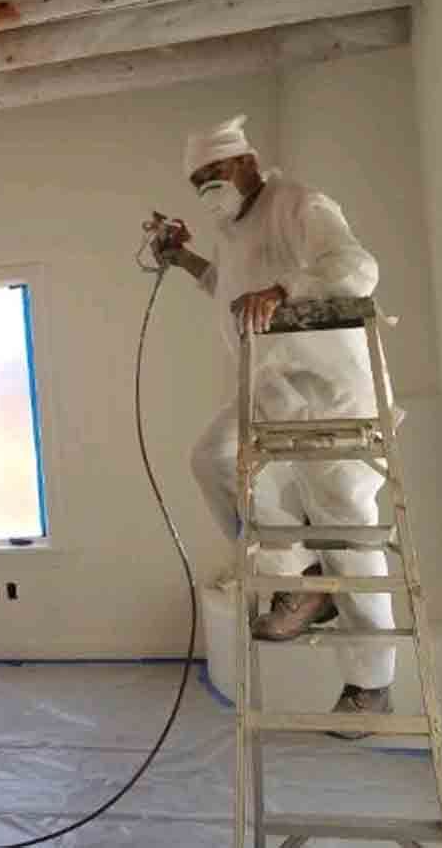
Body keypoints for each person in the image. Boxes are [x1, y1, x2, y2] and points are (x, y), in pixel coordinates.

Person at [152, 113, 395, 735]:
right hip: (271, 394)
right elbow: (227, 286)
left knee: (349, 532)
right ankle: (300, 580)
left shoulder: (299, 205)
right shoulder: (232, 230)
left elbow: (356, 267)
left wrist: (285, 290)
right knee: (214, 459)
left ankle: (369, 687)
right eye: (197, 180)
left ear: (246, 162)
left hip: (334, 396)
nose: (208, 187)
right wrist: (181, 259)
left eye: (215, 173)